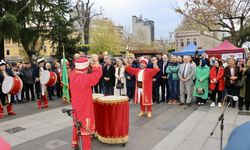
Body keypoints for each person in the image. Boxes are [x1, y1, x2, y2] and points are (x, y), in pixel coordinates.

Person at [70, 54, 102, 150]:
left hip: (75, 105)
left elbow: (90, 72)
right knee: (85, 129)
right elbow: (97, 75)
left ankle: (74, 143)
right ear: (84, 68)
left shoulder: (73, 73)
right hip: (84, 107)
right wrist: (96, 62)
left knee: (76, 124)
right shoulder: (85, 79)